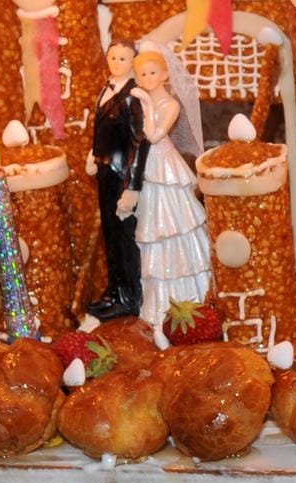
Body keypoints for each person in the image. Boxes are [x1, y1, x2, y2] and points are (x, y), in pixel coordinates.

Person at [130, 42, 211, 326]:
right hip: (147, 167)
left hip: (164, 164)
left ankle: (192, 295)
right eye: (142, 74)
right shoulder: (139, 101)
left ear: (165, 75)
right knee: (153, 227)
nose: (147, 79)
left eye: (152, 73)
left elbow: (153, 135)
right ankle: (158, 301)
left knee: (177, 223)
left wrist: (147, 103)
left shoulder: (170, 104)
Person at [88, 41, 146, 318]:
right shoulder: (107, 87)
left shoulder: (132, 95)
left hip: (122, 176)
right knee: (109, 234)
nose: (117, 62)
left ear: (133, 60)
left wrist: (132, 188)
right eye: (113, 57)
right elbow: (103, 127)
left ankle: (129, 296)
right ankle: (114, 290)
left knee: (125, 236)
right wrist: (95, 153)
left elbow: (138, 142)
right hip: (105, 172)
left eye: (123, 58)